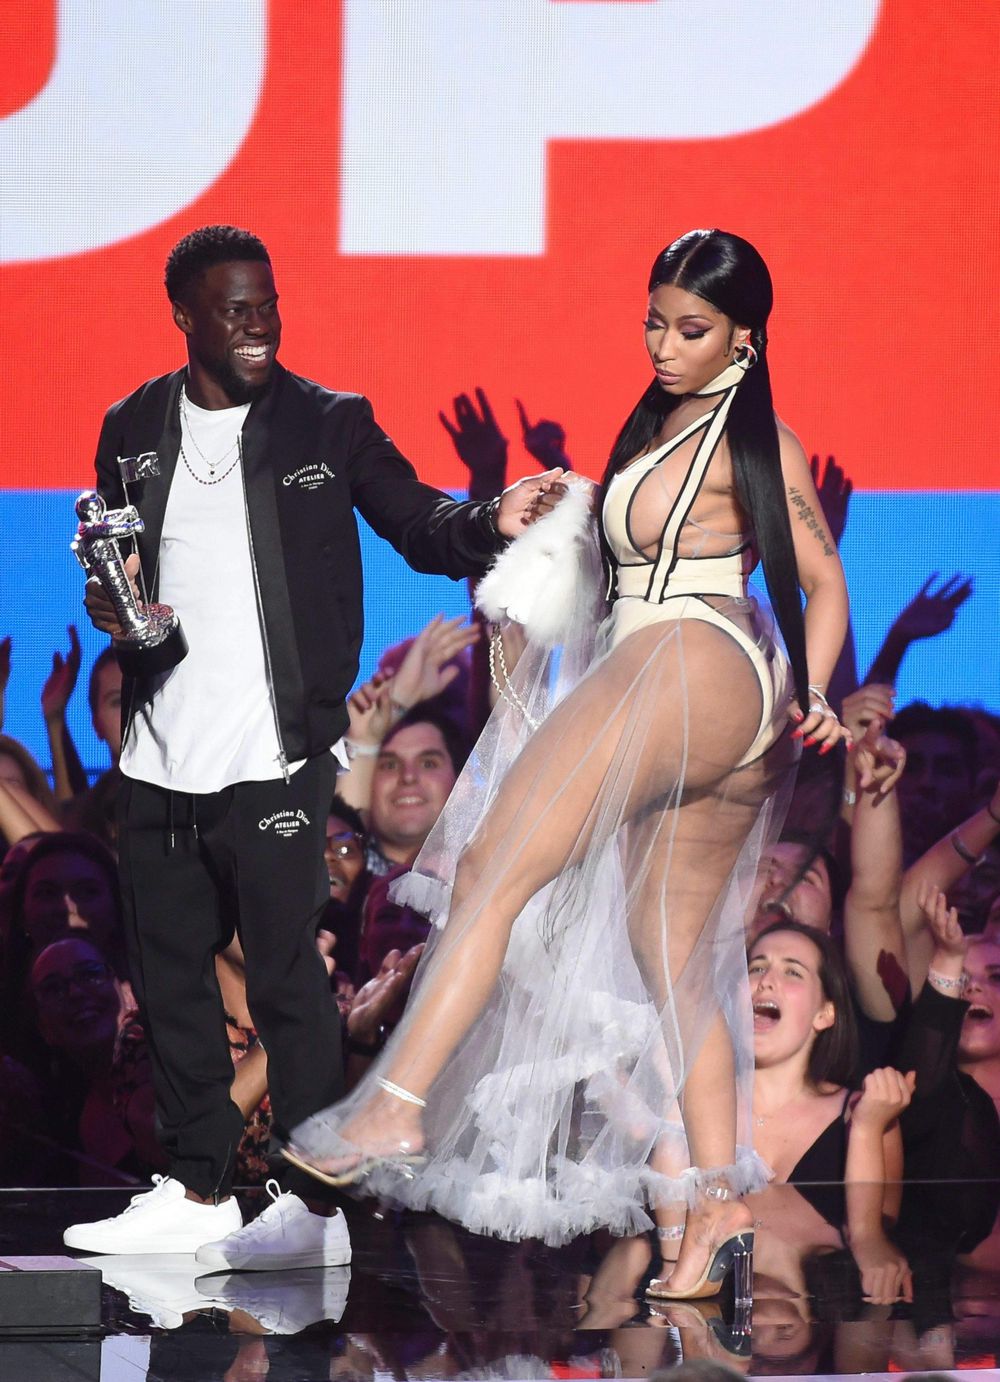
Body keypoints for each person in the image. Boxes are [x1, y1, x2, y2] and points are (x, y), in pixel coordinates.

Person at [287, 230, 851, 1303]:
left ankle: (395, 1102)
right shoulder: (661, 424)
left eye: (691, 329)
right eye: (654, 323)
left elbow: (821, 580)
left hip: (696, 655)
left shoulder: (754, 440)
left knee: (495, 865)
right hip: (693, 680)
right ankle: (716, 1207)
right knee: (671, 957)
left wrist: (818, 690)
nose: (664, 345)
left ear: (745, 338)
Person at [62, 223, 562, 1268]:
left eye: (269, 306)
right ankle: (196, 1188)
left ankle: (312, 1206)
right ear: (184, 316)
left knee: (286, 978)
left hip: (278, 752)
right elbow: (123, 574)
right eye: (235, 311)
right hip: (157, 749)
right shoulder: (131, 425)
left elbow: (419, 522)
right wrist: (115, 609)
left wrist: (491, 517)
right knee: (173, 977)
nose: (259, 327)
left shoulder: (331, 423)